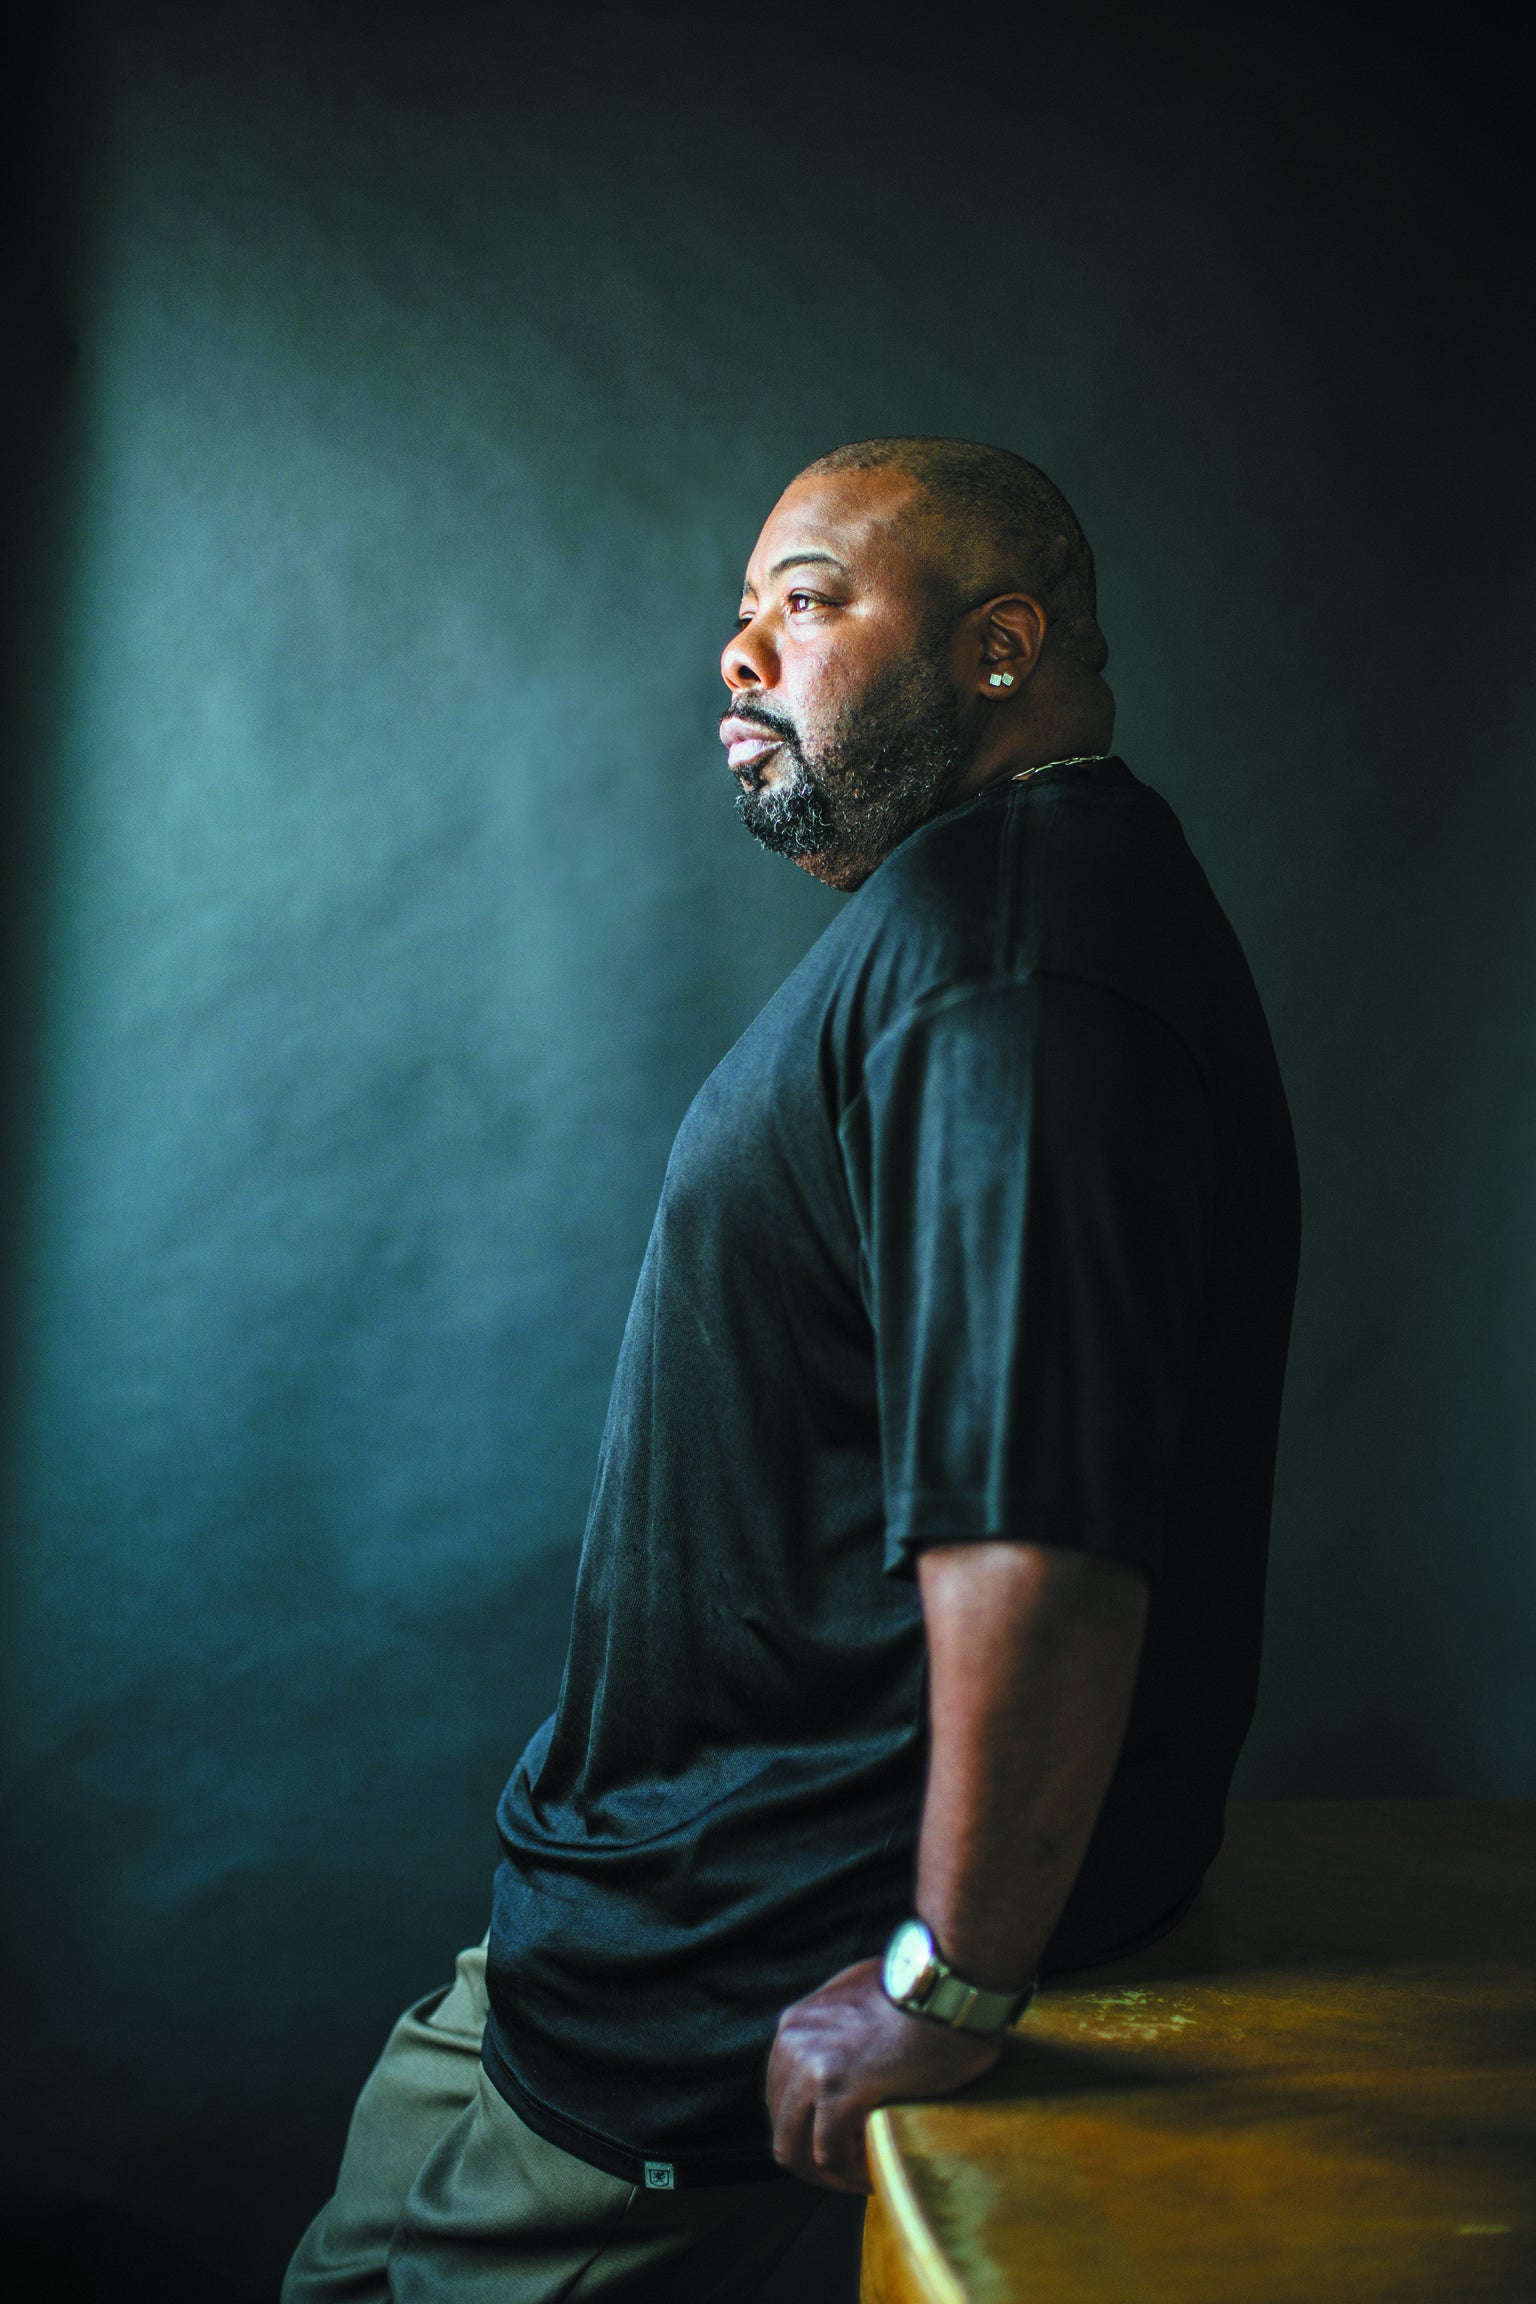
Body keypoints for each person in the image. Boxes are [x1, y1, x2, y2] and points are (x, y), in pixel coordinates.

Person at [283, 437, 1300, 2302]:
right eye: (740, 617)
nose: (742, 655)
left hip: (742, 1955)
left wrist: (951, 1977)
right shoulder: (960, 921)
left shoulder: (1018, 959)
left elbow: (1043, 1540)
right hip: (607, 1922)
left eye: (809, 600)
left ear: (999, 647)